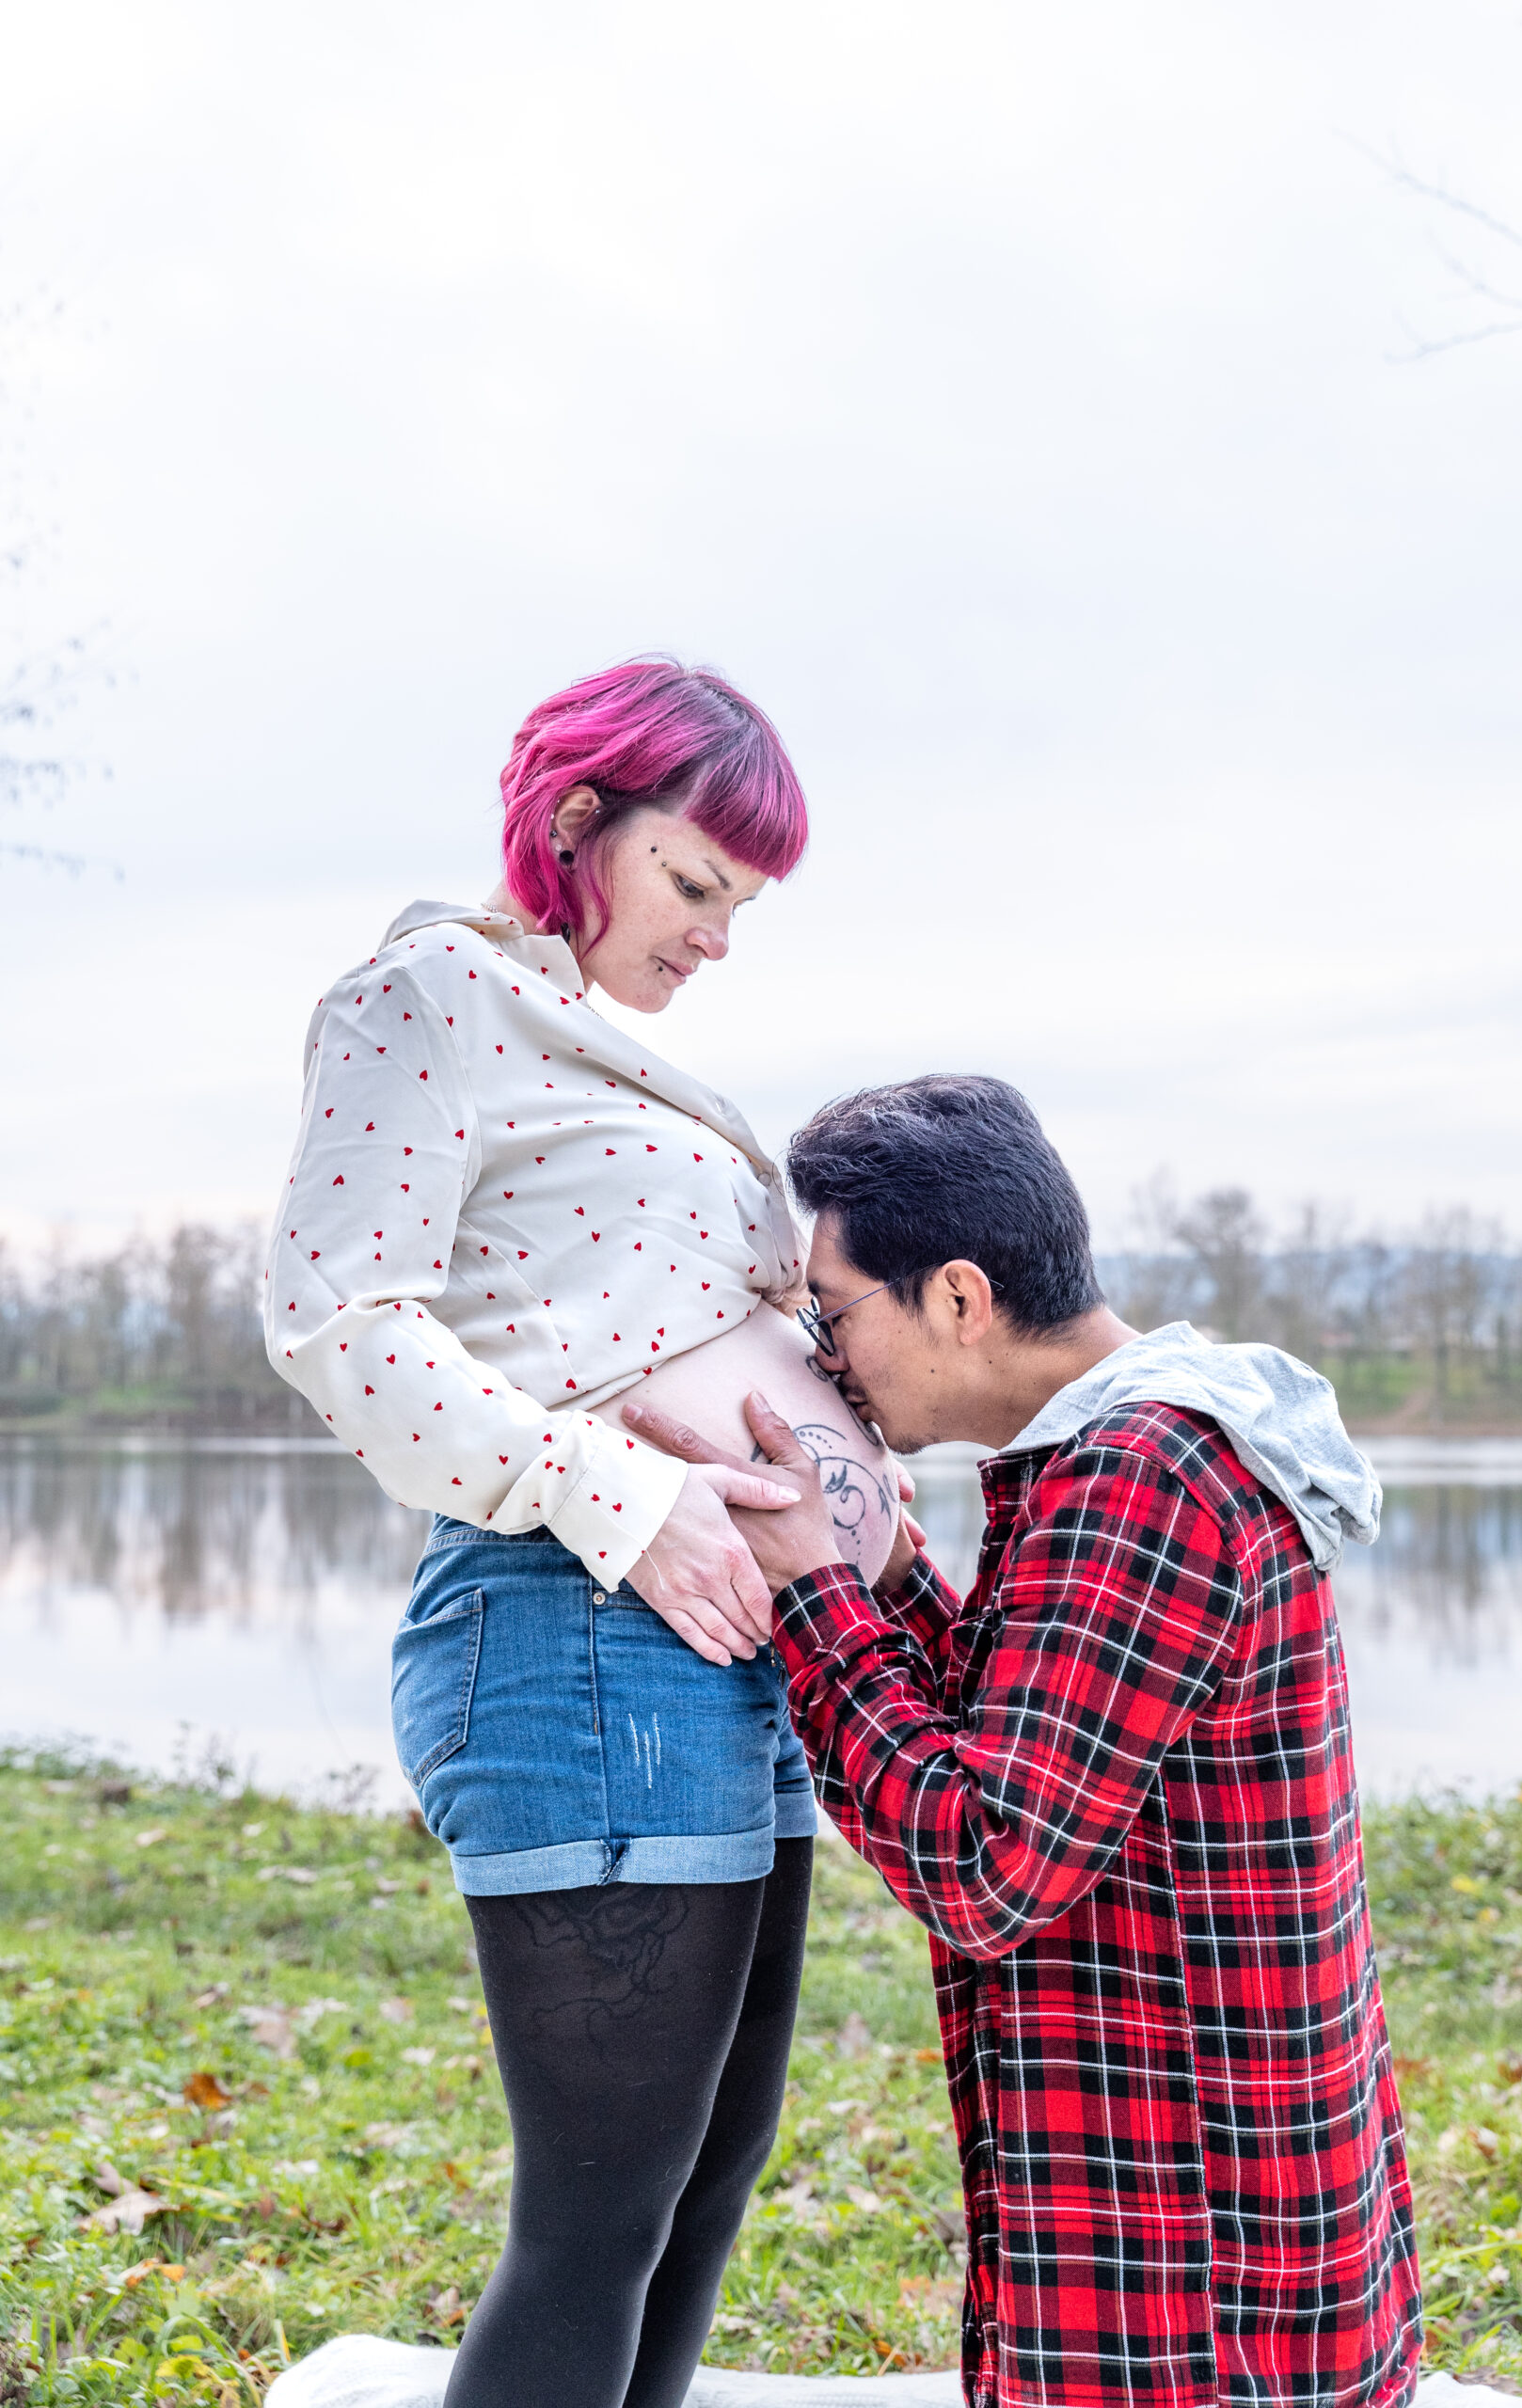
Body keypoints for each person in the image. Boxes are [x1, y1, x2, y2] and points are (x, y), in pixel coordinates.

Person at [262, 659, 897, 2408]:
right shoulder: (430, 996)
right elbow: (341, 1326)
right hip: (577, 1619)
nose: (715, 941)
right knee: (602, 2217)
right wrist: (619, 1490)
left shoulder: (610, 1055)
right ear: (572, 824)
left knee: (701, 2187)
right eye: (696, 885)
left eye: (742, 908)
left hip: (714, 1643)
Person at [625, 1074, 1424, 2408]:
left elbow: (988, 1863)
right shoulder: (1125, 1455)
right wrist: (878, 1571)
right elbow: (1052, 1744)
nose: (827, 1359)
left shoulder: (1140, 1477)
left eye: (833, 1314)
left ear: (953, 1295)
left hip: (1191, 2272)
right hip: (1205, 2219)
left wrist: (815, 1594)